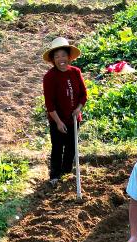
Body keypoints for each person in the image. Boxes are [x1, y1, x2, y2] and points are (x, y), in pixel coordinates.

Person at [42, 37, 87, 185]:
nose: (61, 59)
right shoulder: (49, 77)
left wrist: (78, 109)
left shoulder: (75, 72)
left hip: (74, 119)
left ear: (69, 56)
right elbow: (50, 103)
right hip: (57, 120)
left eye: (63, 55)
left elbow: (83, 95)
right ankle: (54, 176)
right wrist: (59, 122)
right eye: (57, 56)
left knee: (71, 148)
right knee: (57, 148)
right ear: (53, 60)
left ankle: (66, 173)